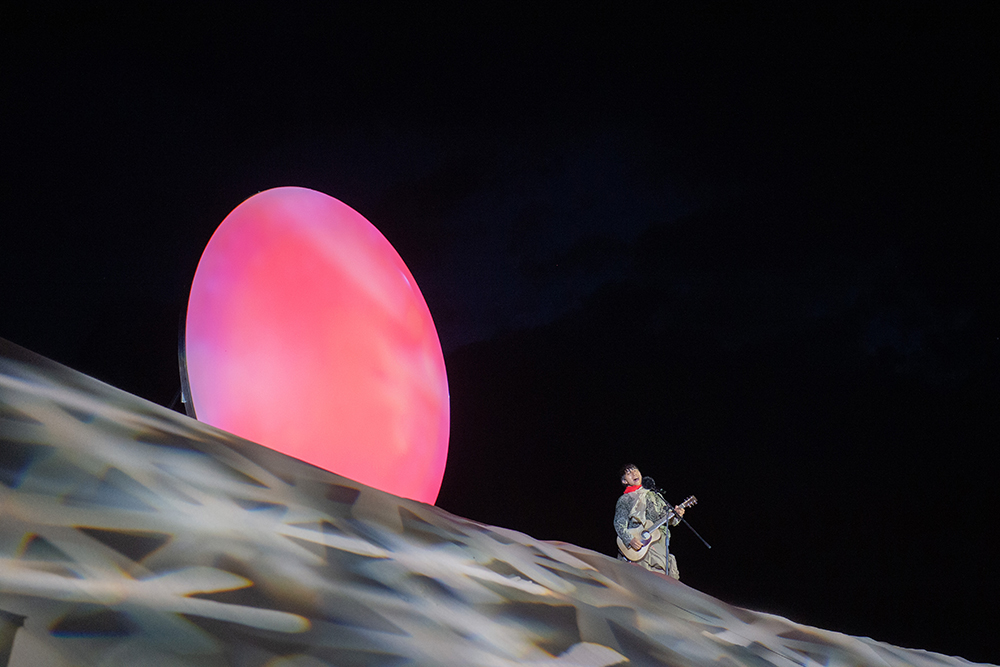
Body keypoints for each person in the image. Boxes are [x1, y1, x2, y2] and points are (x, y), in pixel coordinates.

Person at [614, 463, 685, 578]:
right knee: (639, 579)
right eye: (629, 473)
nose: (634, 473)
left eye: (635, 470)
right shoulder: (625, 499)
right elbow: (619, 523)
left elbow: (667, 519)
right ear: (624, 481)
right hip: (638, 545)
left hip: (658, 541)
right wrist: (630, 539)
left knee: (662, 578)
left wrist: (676, 515)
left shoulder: (655, 495)